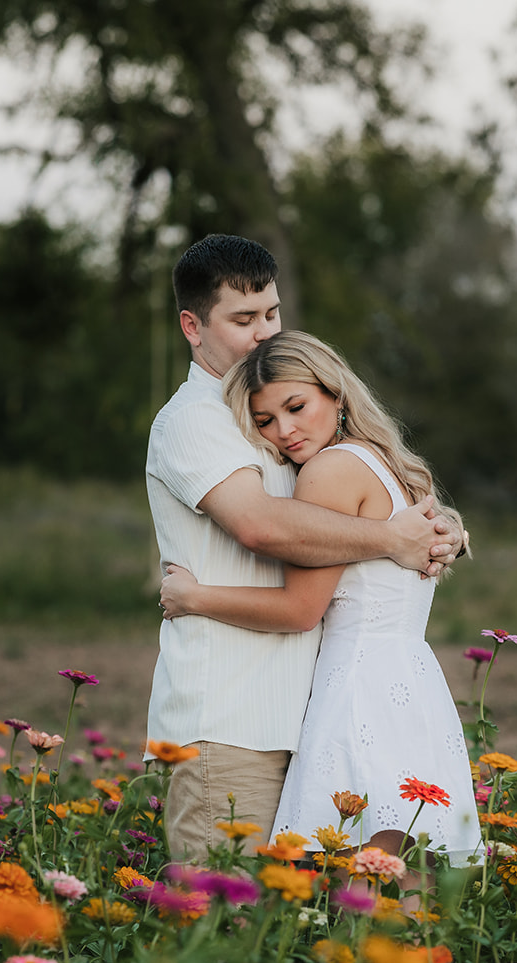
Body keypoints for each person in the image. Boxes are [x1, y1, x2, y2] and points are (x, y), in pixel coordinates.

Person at [146, 235, 463, 862]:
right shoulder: (195, 421)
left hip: (312, 719)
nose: (263, 334)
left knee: (299, 935)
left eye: (271, 313)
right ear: (192, 326)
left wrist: (438, 527)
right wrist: (392, 538)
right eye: (242, 321)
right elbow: (262, 525)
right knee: (229, 926)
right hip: (232, 720)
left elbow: (342, 517)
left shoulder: (277, 421)